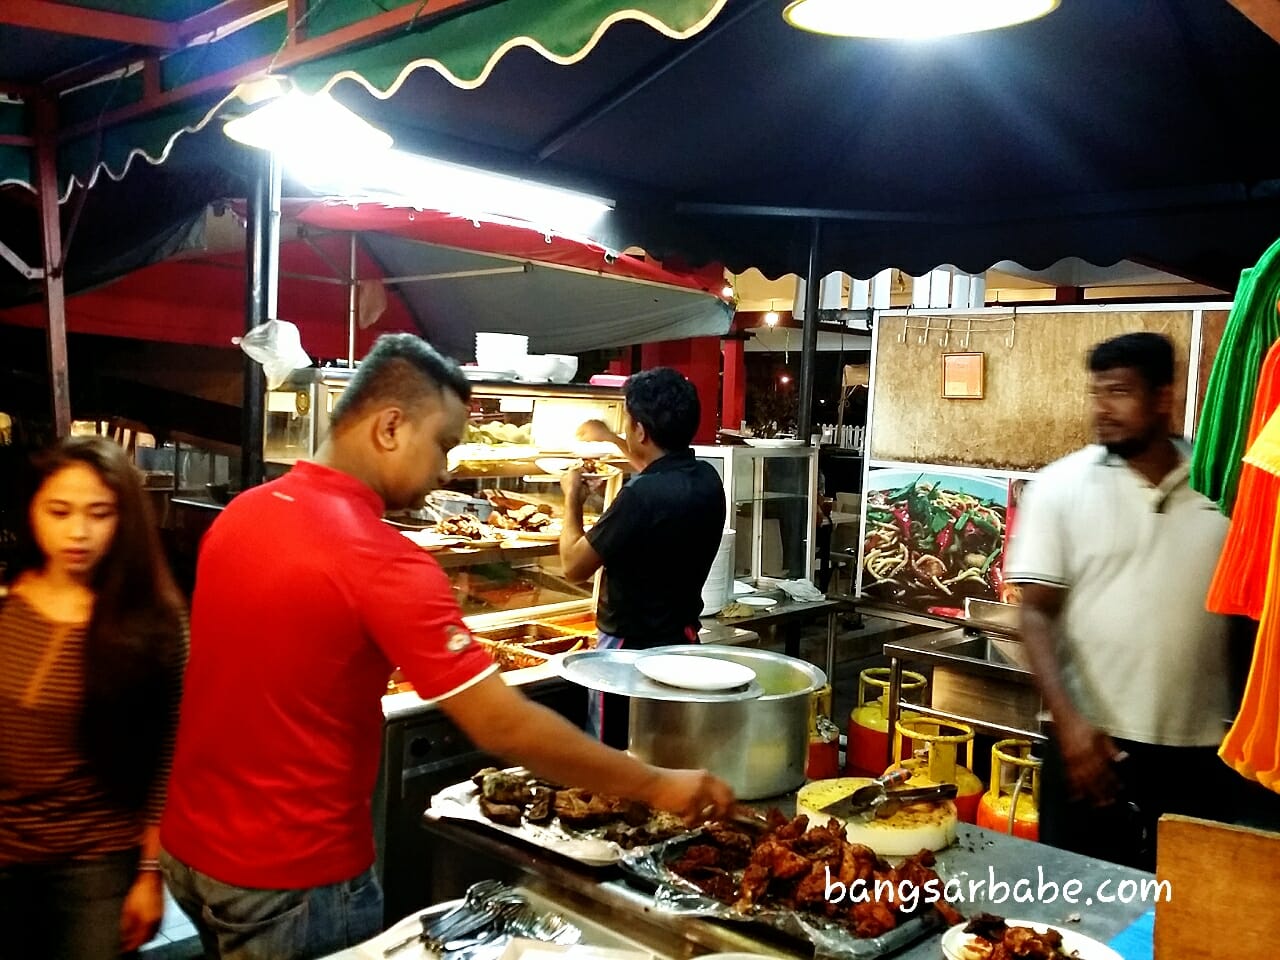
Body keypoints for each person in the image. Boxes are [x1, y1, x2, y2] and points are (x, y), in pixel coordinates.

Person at [160, 335, 734, 960]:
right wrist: (657, 784)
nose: (444, 470)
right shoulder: (381, 559)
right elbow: (504, 725)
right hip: (292, 875)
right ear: (389, 427)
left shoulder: (242, 514)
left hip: (188, 852)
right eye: (444, 445)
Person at [1006, 332, 1234, 871]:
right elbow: (1035, 612)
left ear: (1162, 397)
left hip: (1201, 755)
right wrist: (1070, 725)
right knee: (1071, 915)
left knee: (1182, 920)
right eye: (1097, 392)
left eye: (1120, 392)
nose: (1102, 409)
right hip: (1092, 749)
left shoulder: (1221, 484)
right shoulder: (1060, 487)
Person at [0, 437, 186, 959]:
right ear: (33, 509)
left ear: (124, 519)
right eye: (59, 511)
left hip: (96, 863)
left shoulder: (154, 623)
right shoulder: (9, 605)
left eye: (99, 513)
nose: (78, 532)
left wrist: (150, 875)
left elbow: (167, 758)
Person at [561, 368, 728, 748]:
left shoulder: (639, 497)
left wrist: (572, 496)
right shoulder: (706, 479)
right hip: (681, 642)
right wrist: (612, 440)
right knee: (663, 751)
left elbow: (573, 566)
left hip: (627, 655)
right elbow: (656, 472)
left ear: (640, 431)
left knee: (617, 757)